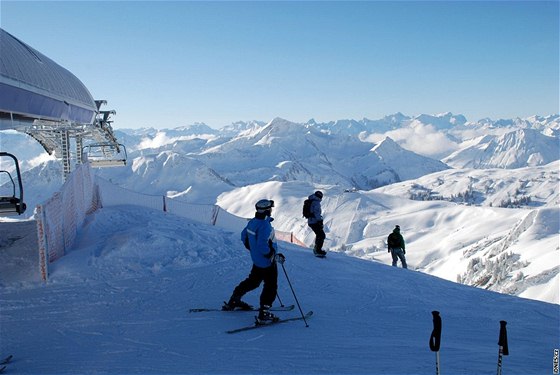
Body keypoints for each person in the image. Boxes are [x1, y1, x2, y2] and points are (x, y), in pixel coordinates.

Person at [223, 199, 285, 323]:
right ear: (267, 210)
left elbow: (243, 236)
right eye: (270, 208)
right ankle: (264, 312)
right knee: (271, 286)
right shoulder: (265, 225)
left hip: (257, 260)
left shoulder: (253, 222)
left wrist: (253, 249)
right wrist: (271, 254)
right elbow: (263, 245)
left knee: (253, 281)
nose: (271, 210)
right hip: (267, 262)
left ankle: (235, 299)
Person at [307, 190, 327, 257]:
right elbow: (317, 213)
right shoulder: (316, 203)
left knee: (319, 235)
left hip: (311, 221)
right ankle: (318, 250)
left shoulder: (312, 200)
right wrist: (320, 221)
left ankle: (317, 249)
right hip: (314, 221)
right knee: (321, 235)